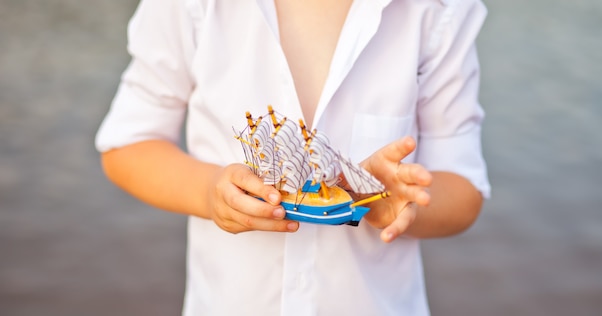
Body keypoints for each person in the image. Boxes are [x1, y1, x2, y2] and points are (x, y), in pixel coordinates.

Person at [95, 0, 491, 314]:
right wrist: (210, 193)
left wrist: (398, 204)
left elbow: (464, 188)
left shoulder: (441, 12)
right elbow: (128, 144)